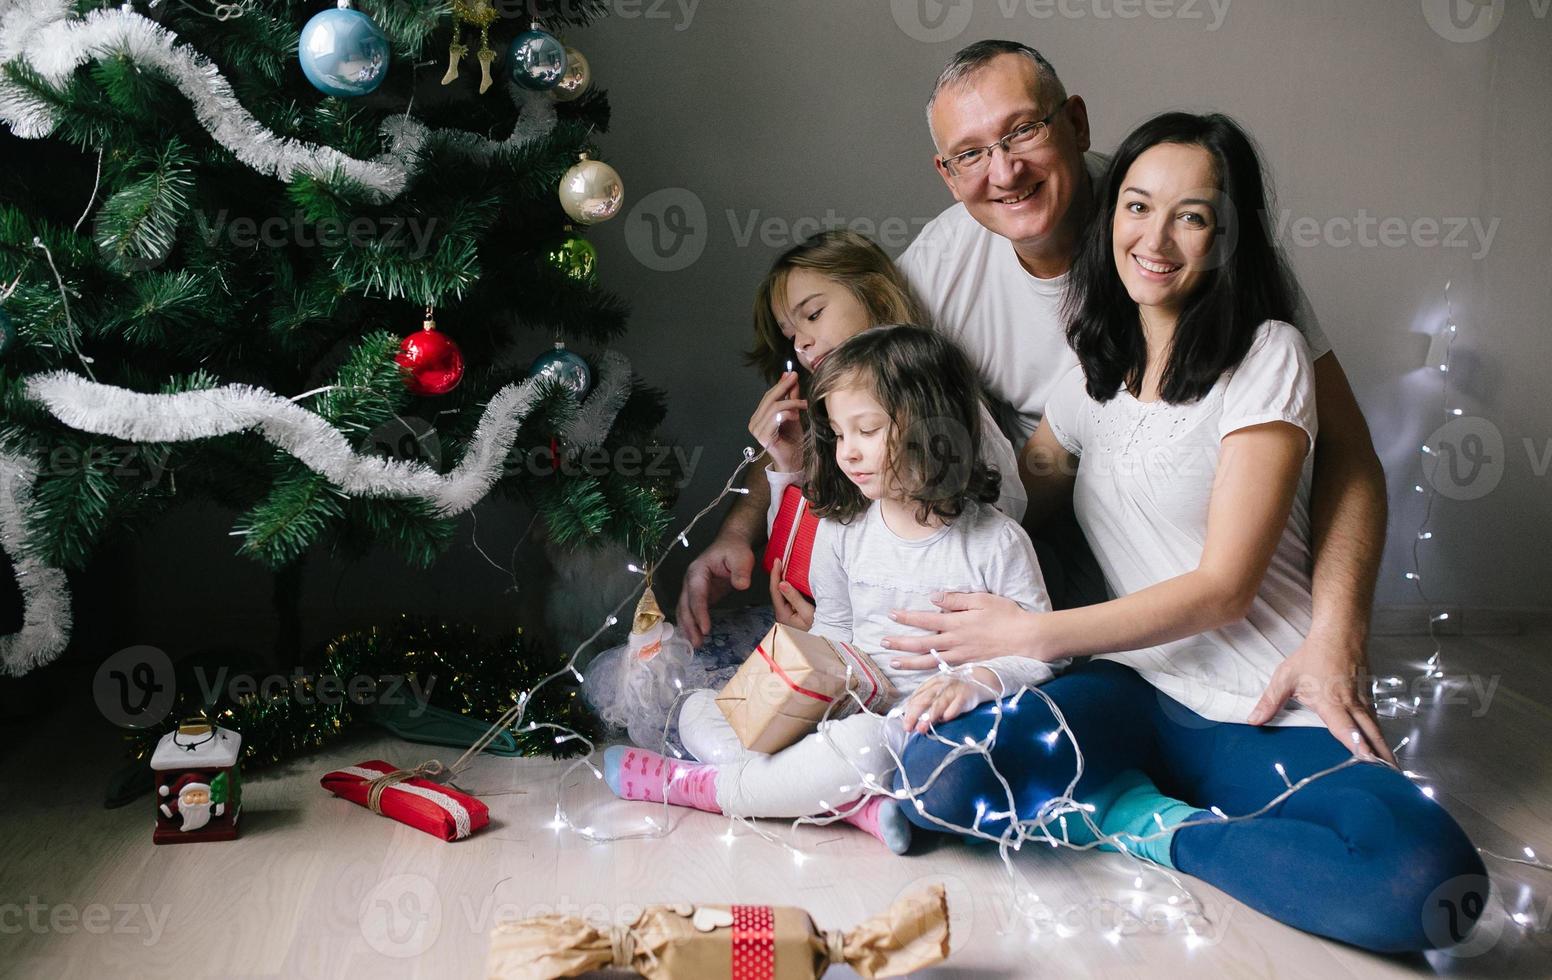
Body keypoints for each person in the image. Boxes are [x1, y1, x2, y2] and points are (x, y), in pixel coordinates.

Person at [679, 40, 1392, 764]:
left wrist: (1337, 631)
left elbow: (1347, 453)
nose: (1005, 170)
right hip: (1019, 567)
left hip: (1173, 586)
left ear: (1076, 123)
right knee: (906, 743)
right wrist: (760, 532)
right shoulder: (939, 272)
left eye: (1023, 131)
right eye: (971, 153)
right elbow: (833, 411)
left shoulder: (1170, 229)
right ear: (947, 175)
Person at [885, 112, 1486, 953]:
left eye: (1192, 215)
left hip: (1264, 702)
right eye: (1136, 206)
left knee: (1430, 889)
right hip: (1134, 691)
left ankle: (1153, 828)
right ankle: (1144, 802)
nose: (1155, 238)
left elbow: (1224, 587)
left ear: (1230, 236)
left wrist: (1031, 631)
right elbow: (1019, 500)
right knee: (935, 779)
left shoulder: (1267, 355)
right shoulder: (1089, 376)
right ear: (1110, 220)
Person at [605, 326, 1183, 856]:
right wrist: (796, 689)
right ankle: (830, 797)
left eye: (867, 430)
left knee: (865, 747)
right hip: (844, 702)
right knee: (706, 709)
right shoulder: (843, 530)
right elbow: (833, 631)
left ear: (932, 427)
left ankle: (705, 789)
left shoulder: (995, 542)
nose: (847, 452)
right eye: (836, 434)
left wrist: (976, 681)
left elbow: (1041, 656)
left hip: (912, 724)